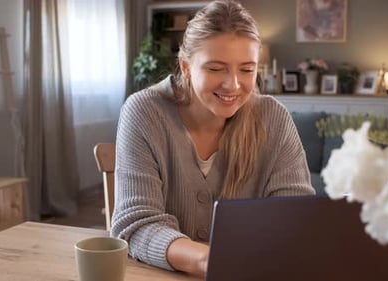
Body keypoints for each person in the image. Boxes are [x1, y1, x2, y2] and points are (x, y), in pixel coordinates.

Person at [111, 0, 315, 278]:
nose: (233, 84)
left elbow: (296, 218)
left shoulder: (273, 118)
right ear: (185, 66)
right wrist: (210, 260)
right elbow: (136, 223)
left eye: (246, 69)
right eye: (216, 68)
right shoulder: (145, 113)